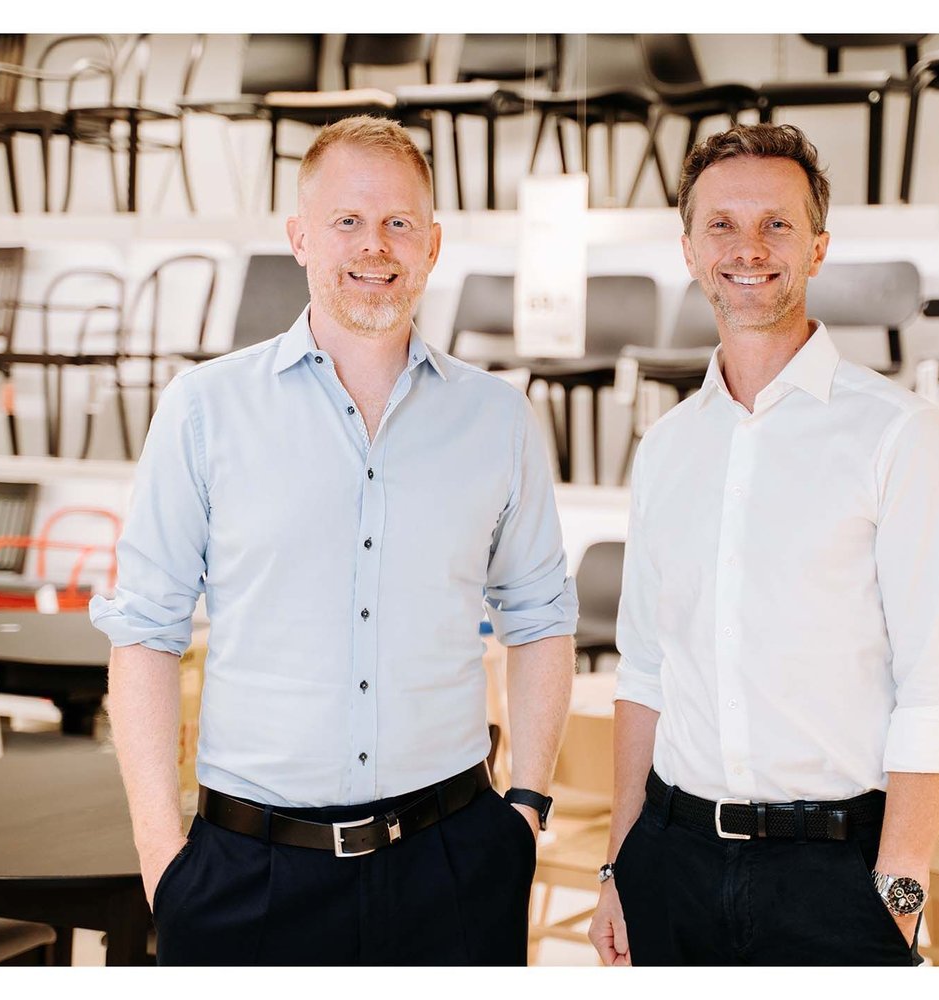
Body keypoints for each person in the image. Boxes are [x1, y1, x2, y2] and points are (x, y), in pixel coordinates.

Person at [90, 116, 577, 966]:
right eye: (347, 222)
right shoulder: (205, 410)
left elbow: (539, 616)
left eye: (398, 223)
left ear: (432, 244)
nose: (374, 246)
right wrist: (159, 854)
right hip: (248, 873)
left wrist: (527, 807)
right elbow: (144, 632)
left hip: (453, 863)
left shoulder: (498, 418)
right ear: (300, 238)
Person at [588, 123, 939, 966]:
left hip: (836, 873)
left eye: (777, 224)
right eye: (722, 224)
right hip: (672, 856)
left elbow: (937, 690)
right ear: (689, 249)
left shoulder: (901, 437)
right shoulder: (666, 448)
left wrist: (897, 894)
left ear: (818, 247)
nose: (748, 248)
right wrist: (620, 862)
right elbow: (645, 670)